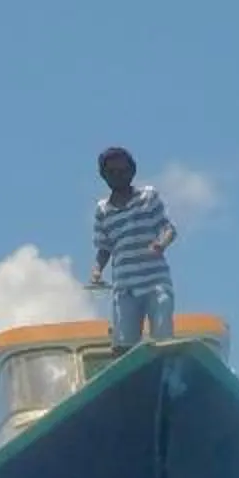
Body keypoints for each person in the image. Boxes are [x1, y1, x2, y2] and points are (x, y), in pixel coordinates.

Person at [86, 145, 176, 348]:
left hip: (155, 282)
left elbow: (169, 228)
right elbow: (104, 247)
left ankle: (163, 367)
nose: (118, 176)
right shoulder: (103, 210)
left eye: (123, 170)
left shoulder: (148, 197)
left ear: (132, 171)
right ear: (104, 176)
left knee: (162, 338)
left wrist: (161, 243)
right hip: (125, 287)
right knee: (124, 344)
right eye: (112, 172)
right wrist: (97, 270)